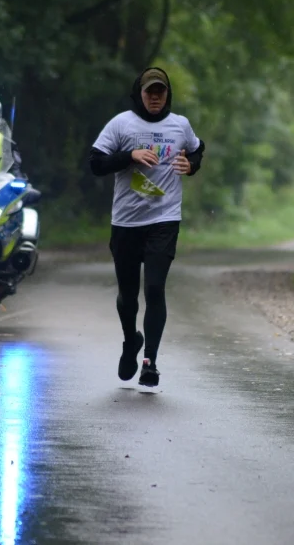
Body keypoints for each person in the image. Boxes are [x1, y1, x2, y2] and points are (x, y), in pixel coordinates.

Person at [89, 67, 205, 387]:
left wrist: (191, 165)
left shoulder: (179, 125)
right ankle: (131, 342)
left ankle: (149, 361)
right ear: (138, 94)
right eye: (149, 92)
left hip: (164, 220)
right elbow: (96, 163)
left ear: (167, 95)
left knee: (154, 288)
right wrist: (128, 156)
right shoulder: (121, 124)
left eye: (161, 92)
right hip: (126, 222)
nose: (155, 97)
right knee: (129, 296)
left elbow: (197, 148)